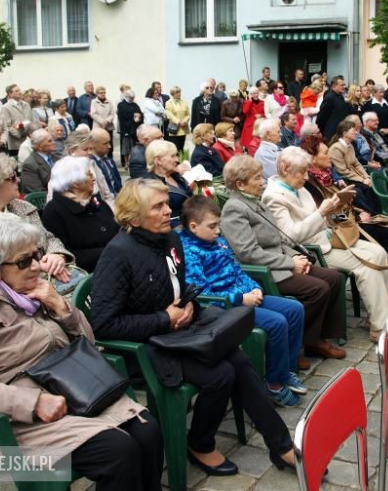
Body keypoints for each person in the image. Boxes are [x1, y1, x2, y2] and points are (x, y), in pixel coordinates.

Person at [89, 179, 297, 476]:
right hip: (145, 348)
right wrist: (165, 318)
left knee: (238, 359)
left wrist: (189, 305)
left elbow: (182, 287)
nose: (167, 212)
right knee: (221, 373)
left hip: (181, 335)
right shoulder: (118, 254)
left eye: (166, 204)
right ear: (134, 217)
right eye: (158, 207)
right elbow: (104, 324)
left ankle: (282, 446)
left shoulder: (169, 240)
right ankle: (199, 443)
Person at [0, 218, 162, 491]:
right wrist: (33, 402)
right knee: (118, 451)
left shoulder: (35, 291)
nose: (36, 265)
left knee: (149, 431)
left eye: (36, 255)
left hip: (77, 391)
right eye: (24, 262)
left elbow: (90, 344)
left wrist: (61, 307)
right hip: (26, 420)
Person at [178, 196, 306, 407]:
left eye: (218, 225)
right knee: (276, 322)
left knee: (294, 309)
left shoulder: (218, 242)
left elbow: (237, 271)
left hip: (245, 297)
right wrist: (240, 299)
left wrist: (254, 287)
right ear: (193, 226)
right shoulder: (190, 252)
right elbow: (202, 294)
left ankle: (286, 370)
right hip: (224, 308)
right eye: (212, 226)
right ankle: (274, 385)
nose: (218, 231)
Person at [220, 156, 345, 362]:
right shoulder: (235, 208)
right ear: (239, 184)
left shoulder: (255, 202)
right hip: (265, 270)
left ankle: (316, 339)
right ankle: (297, 343)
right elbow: (248, 253)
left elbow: (279, 238)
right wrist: (290, 263)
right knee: (318, 289)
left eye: (261, 177)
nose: (262, 182)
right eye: (257, 178)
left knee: (333, 278)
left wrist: (295, 255)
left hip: (281, 261)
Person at [263, 147, 388, 342]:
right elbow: (290, 237)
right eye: (302, 172)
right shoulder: (273, 197)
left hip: (328, 240)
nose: (306, 177)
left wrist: (339, 208)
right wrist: (322, 213)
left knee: (379, 251)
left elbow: (322, 221)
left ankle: (377, 316)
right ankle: (379, 326)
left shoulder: (298, 188)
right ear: (285, 168)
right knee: (368, 263)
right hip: (312, 251)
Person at [301, 136, 388, 298]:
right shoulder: (310, 184)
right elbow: (328, 216)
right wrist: (354, 218)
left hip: (348, 219)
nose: (330, 156)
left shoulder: (327, 176)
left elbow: (340, 205)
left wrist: (354, 209)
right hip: (339, 228)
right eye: (325, 152)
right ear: (313, 158)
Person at [41, 156, 119, 272]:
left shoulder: (96, 202)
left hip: (115, 263)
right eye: (89, 174)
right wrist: (111, 252)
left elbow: (117, 230)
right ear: (75, 183)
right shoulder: (54, 211)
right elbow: (66, 253)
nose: (93, 179)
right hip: (89, 271)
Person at [145, 140, 192, 227]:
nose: (177, 160)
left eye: (176, 155)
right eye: (173, 156)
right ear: (158, 160)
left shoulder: (177, 177)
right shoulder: (151, 185)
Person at [0, 84, 34, 158]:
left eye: (19, 90)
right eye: (17, 91)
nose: (20, 92)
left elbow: (30, 120)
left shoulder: (26, 105)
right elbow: (8, 125)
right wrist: (19, 134)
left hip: (28, 138)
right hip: (15, 142)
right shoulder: (6, 107)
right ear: (10, 94)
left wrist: (23, 128)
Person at [20, 129, 58, 194]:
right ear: (39, 146)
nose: (54, 142)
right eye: (50, 141)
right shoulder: (30, 165)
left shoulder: (56, 158)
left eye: (53, 140)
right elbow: (37, 192)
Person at [91, 128, 122, 196]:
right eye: (105, 143)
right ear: (92, 144)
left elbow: (118, 182)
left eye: (109, 142)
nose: (109, 146)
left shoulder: (109, 161)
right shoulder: (90, 164)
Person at [117, 90, 143, 168]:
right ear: (126, 96)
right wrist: (133, 117)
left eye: (133, 98)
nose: (131, 99)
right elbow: (121, 117)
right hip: (125, 128)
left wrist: (139, 117)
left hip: (134, 128)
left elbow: (140, 113)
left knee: (133, 146)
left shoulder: (135, 105)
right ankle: (126, 162)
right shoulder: (121, 105)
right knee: (126, 147)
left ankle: (132, 161)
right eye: (130, 98)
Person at [90, 86, 116, 154]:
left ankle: (110, 158)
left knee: (109, 144)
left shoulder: (109, 102)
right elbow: (93, 113)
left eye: (104, 92)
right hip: (98, 126)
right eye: (101, 93)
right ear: (97, 94)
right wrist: (102, 121)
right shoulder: (94, 102)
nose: (103, 94)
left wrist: (107, 120)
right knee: (99, 143)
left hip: (108, 126)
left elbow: (112, 114)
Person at [164, 86, 189, 152]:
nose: (179, 94)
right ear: (173, 94)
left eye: (179, 92)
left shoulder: (184, 102)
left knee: (181, 148)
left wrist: (184, 121)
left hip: (183, 128)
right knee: (175, 148)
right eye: (177, 92)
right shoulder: (169, 102)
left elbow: (188, 114)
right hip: (174, 128)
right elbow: (169, 114)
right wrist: (178, 122)